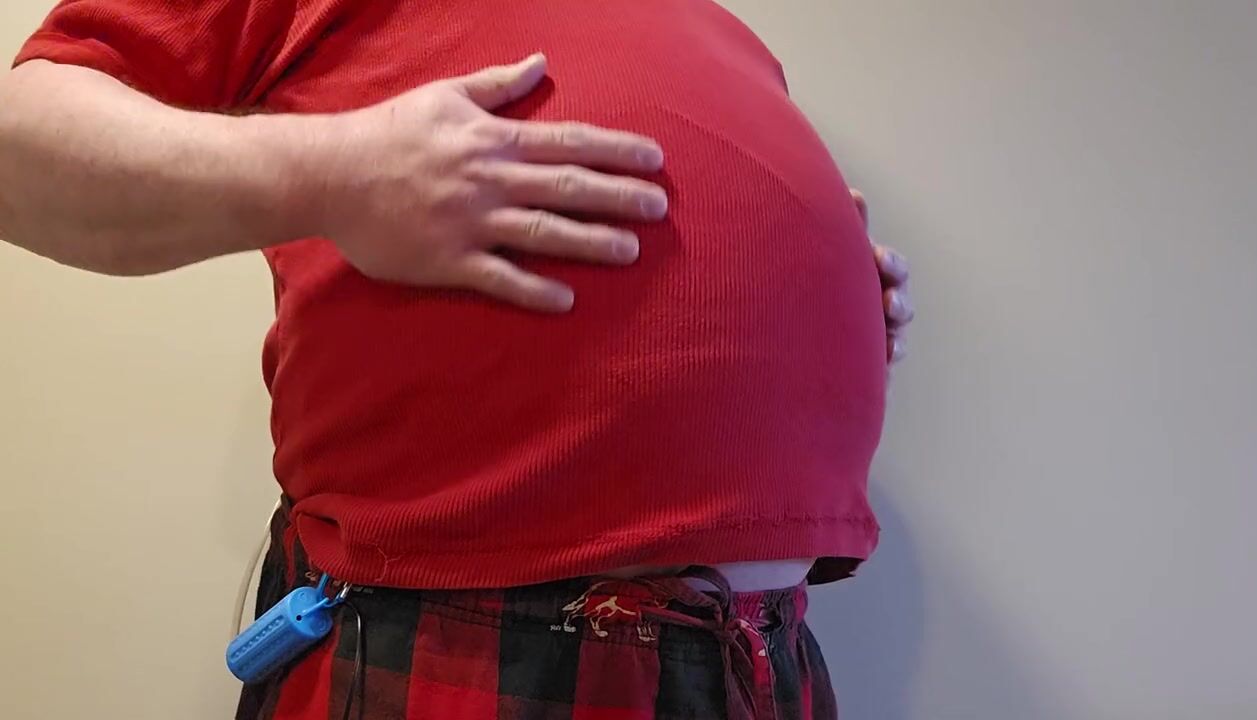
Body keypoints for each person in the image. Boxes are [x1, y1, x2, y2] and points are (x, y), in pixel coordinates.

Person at [0, 1, 915, 718]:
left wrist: (815, 279)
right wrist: (336, 172)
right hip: (470, 636)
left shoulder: (723, 31)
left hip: (758, 658)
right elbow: (18, 149)